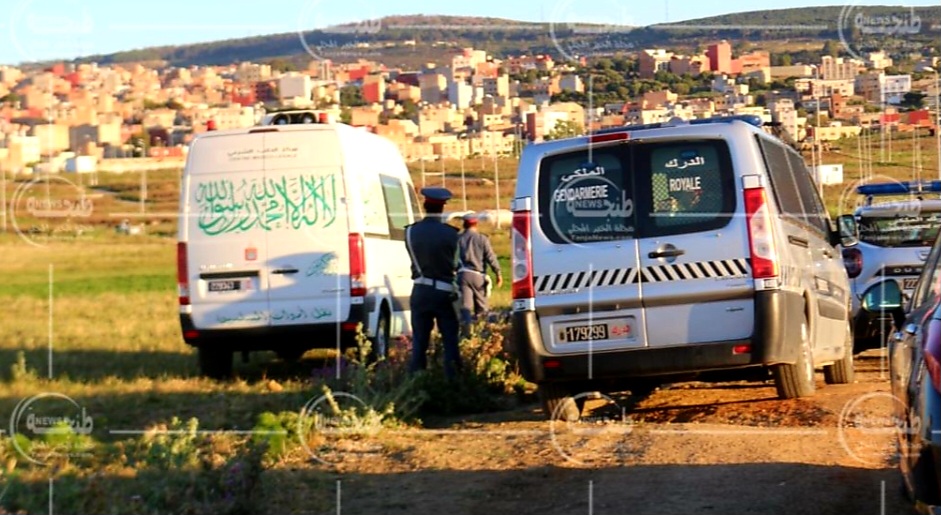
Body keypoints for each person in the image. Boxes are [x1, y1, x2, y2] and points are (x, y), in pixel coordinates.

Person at [405, 187, 462, 378]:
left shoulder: (411, 231)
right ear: (442, 208)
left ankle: (415, 385)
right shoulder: (451, 234)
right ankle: (453, 386)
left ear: (424, 205)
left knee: (419, 344)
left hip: (420, 290)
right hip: (444, 292)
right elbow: (456, 264)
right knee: (450, 342)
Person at [457, 213, 503, 331]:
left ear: (464, 224)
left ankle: (466, 333)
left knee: (465, 307)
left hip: (462, 275)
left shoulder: (458, 239)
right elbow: (490, 257)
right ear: (476, 223)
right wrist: (497, 272)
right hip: (478, 275)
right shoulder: (482, 238)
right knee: (482, 307)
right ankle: (482, 332)